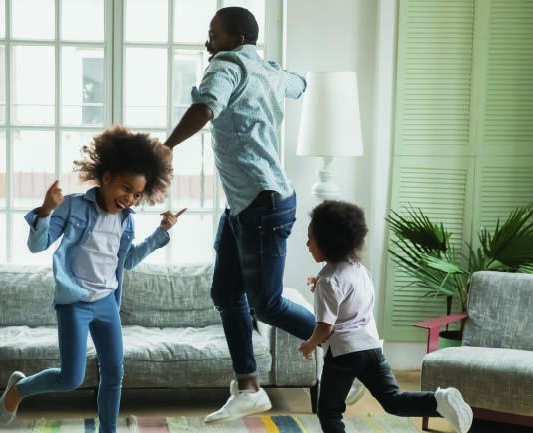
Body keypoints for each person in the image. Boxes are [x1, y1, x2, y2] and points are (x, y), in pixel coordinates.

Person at [163, 6, 314, 423]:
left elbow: (206, 107)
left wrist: (168, 145)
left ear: (237, 39)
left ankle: (346, 349)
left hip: (262, 204)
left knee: (265, 305)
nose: (207, 42)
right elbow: (299, 85)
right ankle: (248, 387)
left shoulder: (225, 65)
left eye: (214, 34)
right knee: (226, 295)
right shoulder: (264, 70)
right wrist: (291, 78)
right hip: (247, 204)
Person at [0, 126, 183, 433]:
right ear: (106, 178)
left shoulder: (126, 220)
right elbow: (37, 245)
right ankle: (18, 390)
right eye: (126, 188)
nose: (130, 199)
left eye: (137, 194)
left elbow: (129, 260)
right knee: (70, 378)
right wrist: (45, 211)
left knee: (114, 373)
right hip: (75, 304)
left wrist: (161, 232)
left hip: (107, 303)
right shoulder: (72, 206)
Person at [298, 200, 473, 433]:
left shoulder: (328, 281)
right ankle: (438, 401)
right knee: (393, 400)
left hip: (343, 354)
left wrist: (309, 345)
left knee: (329, 411)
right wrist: (319, 282)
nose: (307, 244)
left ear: (328, 242)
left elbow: (325, 328)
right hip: (371, 347)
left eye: (311, 238)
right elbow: (348, 295)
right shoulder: (358, 269)